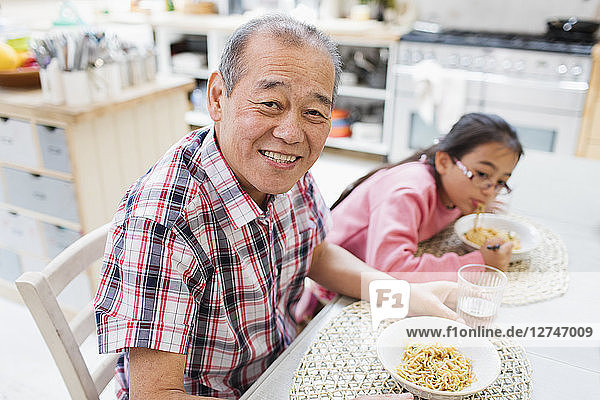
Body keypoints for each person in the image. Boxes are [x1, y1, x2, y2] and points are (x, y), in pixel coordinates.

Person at [94, 14, 458, 400]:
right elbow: (154, 395)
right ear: (217, 98)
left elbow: (315, 253)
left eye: (314, 112)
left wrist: (403, 294)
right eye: (270, 103)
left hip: (281, 364)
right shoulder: (163, 223)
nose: (291, 133)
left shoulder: (284, 168)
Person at [323, 112, 523, 287]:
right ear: (444, 162)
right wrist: (479, 263)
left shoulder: (457, 191)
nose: (490, 192)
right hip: (331, 285)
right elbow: (392, 270)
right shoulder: (409, 191)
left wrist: (478, 200)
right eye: (482, 174)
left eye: (500, 182)